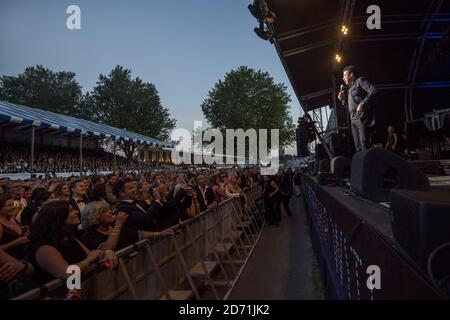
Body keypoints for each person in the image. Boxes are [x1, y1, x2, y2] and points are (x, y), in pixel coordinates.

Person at [27, 200, 117, 286]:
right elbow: (68, 274)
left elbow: (92, 254)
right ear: (59, 218)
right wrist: (88, 260)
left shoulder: (69, 237)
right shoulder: (44, 247)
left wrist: (106, 253)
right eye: (71, 210)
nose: (77, 211)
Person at [80, 201, 172, 251]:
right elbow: (107, 249)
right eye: (106, 211)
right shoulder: (89, 235)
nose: (112, 212)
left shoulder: (112, 226)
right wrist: (118, 225)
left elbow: (139, 234)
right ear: (95, 216)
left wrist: (159, 234)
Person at [338, 65, 377, 152]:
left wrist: (362, 103)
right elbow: (350, 107)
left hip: (361, 118)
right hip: (353, 120)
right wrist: (343, 100)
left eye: (345, 75)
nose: (343, 78)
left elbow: (373, 90)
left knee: (364, 144)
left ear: (351, 75)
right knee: (358, 147)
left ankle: (369, 164)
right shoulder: (349, 90)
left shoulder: (360, 81)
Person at [0, 194, 29, 259]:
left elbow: (11, 235)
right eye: (9, 206)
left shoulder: (13, 219)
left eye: (13, 204)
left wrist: (22, 230)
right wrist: (17, 242)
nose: (13, 207)